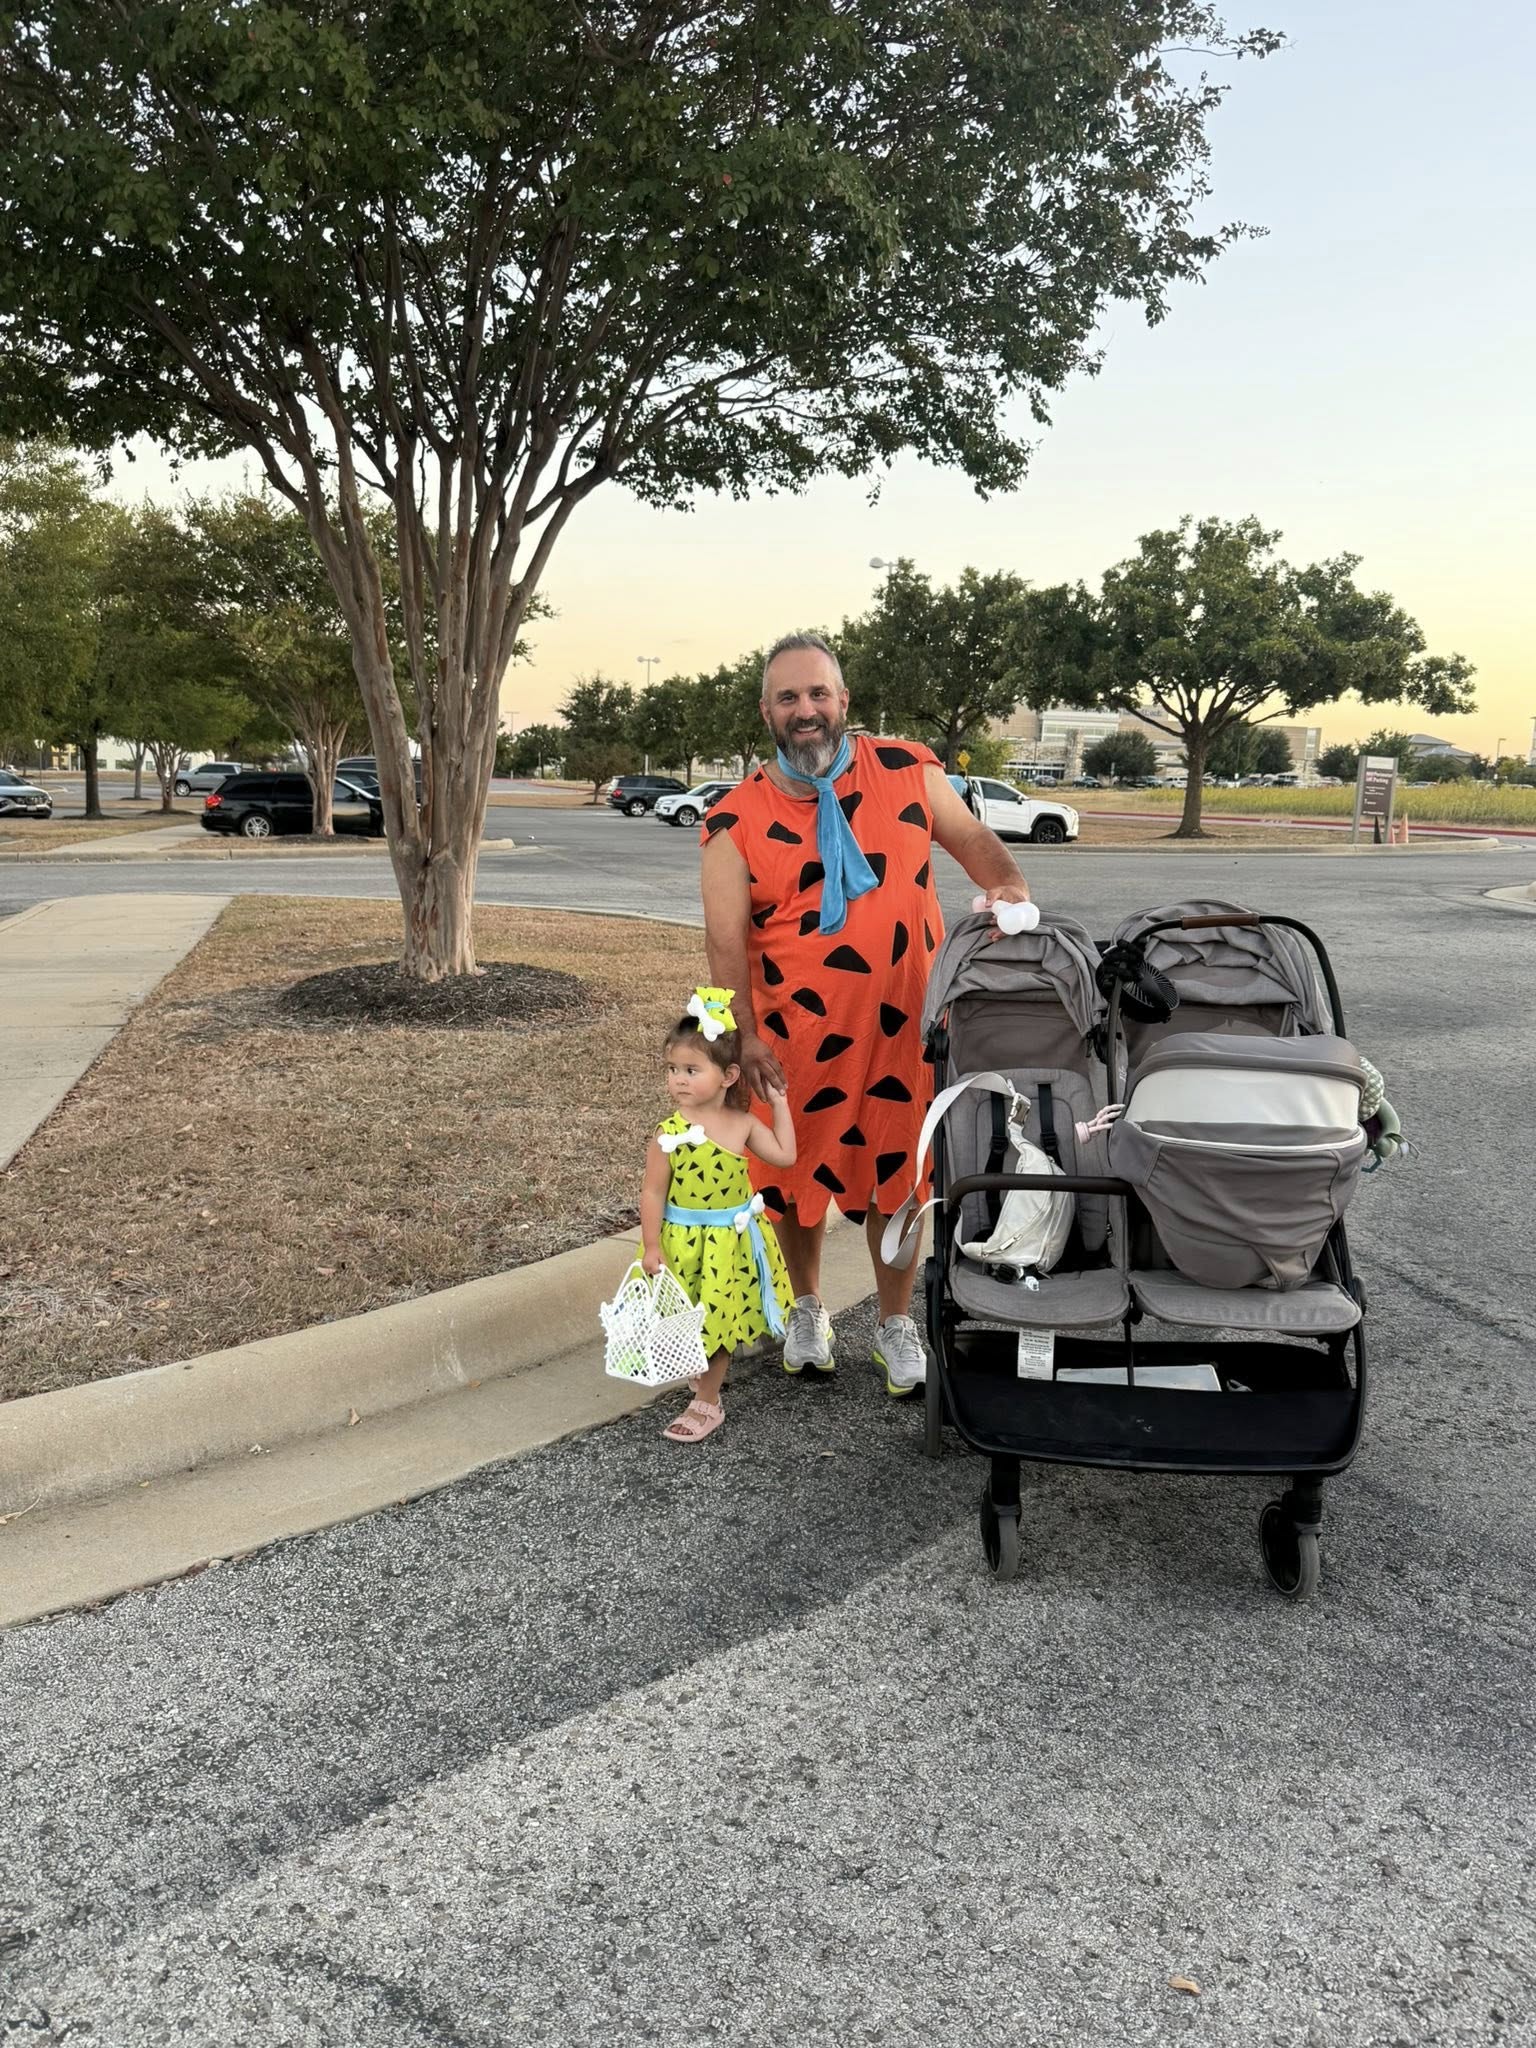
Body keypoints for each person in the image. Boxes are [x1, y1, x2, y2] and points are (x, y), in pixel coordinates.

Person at [698, 632, 1032, 1396]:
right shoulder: (734, 817)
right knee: (792, 1177)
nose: (805, 710)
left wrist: (1010, 888)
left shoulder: (907, 770)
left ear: (844, 701)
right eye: (788, 698)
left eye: (818, 694)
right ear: (767, 713)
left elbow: (975, 840)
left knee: (898, 1174)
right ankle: (809, 1310)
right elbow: (725, 941)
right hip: (794, 1036)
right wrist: (744, 1035)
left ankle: (892, 1322)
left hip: (905, 1026)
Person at [640, 987, 797, 1444]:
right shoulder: (670, 1133)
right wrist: (652, 1246)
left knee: (718, 1322)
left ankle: (707, 1400)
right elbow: (653, 1192)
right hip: (683, 1243)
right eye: (673, 1070)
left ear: (729, 1075)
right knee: (688, 1319)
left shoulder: (743, 1124)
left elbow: (785, 1155)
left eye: (692, 1070)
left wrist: (781, 1102)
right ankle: (704, 1377)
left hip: (729, 1246)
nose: (679, 1080)